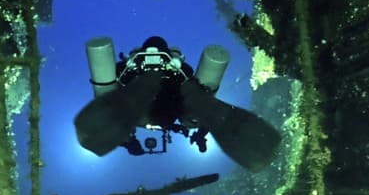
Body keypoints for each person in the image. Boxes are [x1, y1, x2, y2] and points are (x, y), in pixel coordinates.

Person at [73, 36, 281, 171]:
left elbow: (109, 103)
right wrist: (200, 130)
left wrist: (128, 142)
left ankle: (192, 115)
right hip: (167, 110)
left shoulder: (126, 71)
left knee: (186, 103)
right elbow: (198, 102)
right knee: (194, 103)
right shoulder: (182, 73)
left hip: (139, 110)